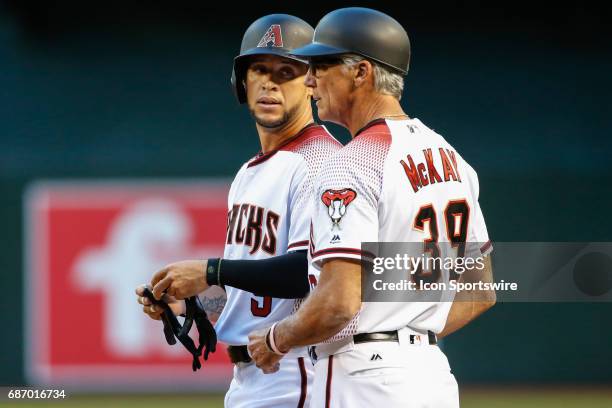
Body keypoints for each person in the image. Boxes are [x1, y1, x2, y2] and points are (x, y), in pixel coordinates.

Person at [247, 7, 496, 407]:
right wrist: (414, 335)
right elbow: (480, 291)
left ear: (361, 72)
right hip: (431, 374)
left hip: (364, 378)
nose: (309, 80)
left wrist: (277, 338)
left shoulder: (352, 163)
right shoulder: (452, 158)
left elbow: (338, 303)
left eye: (322, 66)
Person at [135, 14, 341, 407]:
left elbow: (309, 273)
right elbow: (249, 291)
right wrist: (187, 301)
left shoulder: (321, 162)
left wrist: (210, 269)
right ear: (241, 83)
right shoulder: (249, 172)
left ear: (312, 83)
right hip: (252, 377)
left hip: (299, 371)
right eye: (259, 69)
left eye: (287, 72)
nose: (270, 82)